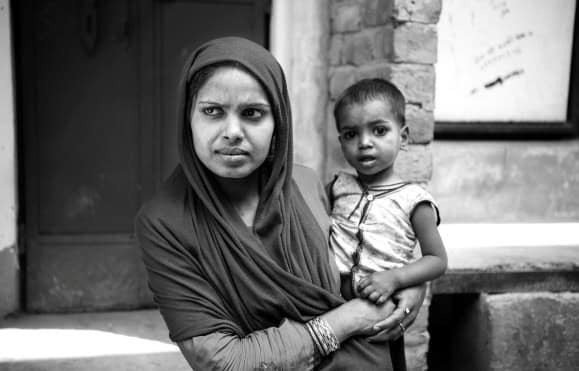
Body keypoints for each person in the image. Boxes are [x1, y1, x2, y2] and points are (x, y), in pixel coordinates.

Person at [135, 37, 426, 370]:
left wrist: (413, 283)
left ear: (278, 123)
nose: (232, 131)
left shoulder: (305, 184)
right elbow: (223, 362)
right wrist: (350, 319)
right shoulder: (165, 222)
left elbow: (376, 244)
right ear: (189, 118)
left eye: (253, 113)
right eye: (212, 111)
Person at [328, 78, 448, 369]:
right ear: (341, 141)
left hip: (380, 307)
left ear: (403, 137)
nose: (365, 142)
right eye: (351, 133)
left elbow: (437, 260)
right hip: (330, 306)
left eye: (379, 131)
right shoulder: (337, 187)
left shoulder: (413, 200)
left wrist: (394, 279)